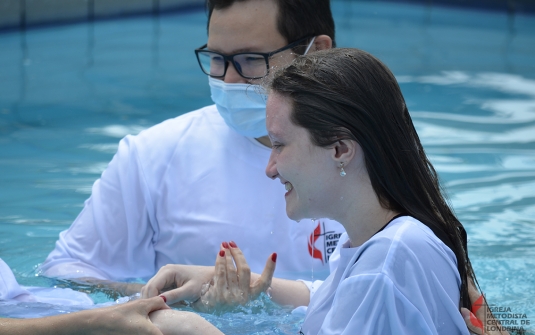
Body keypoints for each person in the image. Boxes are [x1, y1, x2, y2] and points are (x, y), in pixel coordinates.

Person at [141, 48, 511, 335]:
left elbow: (367, 293)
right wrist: (239, 284)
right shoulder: (387, 243)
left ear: (340, 150)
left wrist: (193, 330)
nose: (270, 168)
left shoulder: (388, 262)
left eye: (280, 145)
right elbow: (333, 299)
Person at [40, 0, 344, 294]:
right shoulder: (153, 156)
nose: (228, 80)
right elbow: (66, 274)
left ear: (316, 52)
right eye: (216, 59)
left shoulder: (373, 154)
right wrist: (172, 298)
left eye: (251, 60)